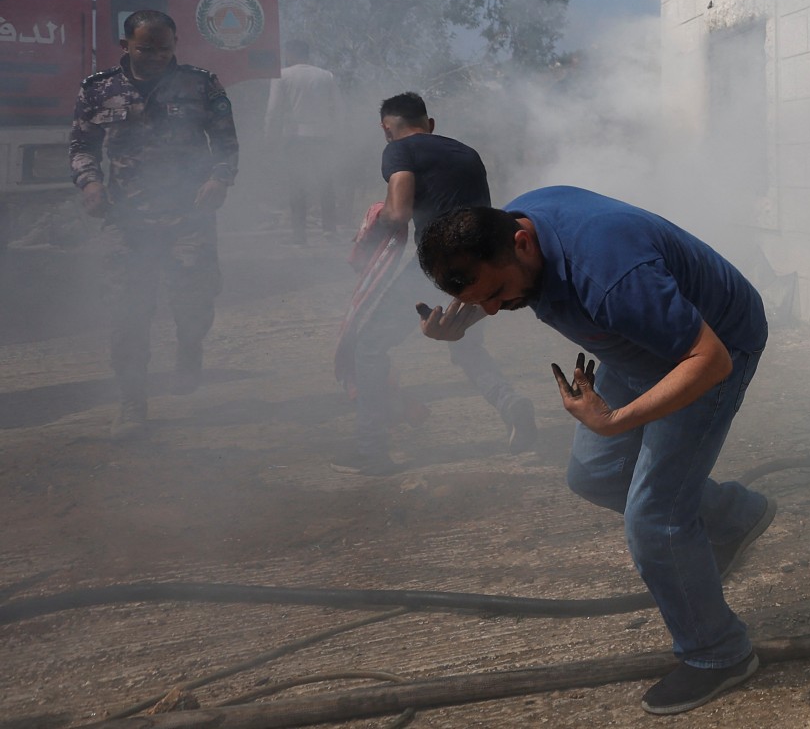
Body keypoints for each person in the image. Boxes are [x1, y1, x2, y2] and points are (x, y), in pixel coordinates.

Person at [416, 187, 774, 716]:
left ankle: (719, 654)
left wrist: (614, 420)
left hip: (708, 352)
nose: (494, 310)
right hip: (637, 349)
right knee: (595, 474)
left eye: (496, 294)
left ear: (521, 245)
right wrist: (459, 322)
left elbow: (710, 360)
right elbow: (488, 287)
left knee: (654, 520)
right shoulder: (509, 226)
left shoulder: (611, 279)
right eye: (480, 303)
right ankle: (736, 515)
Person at [333, 93, 535, 475]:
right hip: (485, 266)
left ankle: (371, 449)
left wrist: (366, 245)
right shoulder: (466, 152)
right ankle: (511, 404)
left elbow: (398, 211)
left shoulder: (399, 151)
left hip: (438, 265)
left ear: (386, 129)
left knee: (370, 346)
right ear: (431, 123)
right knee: (465, 346)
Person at [68, 9, 236, 440]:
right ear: (125, 46)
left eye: (165, 47)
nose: (157, 55)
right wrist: (90, 183)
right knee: (127, 311)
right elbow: (81, 145)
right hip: (125, 219)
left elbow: (225, 143)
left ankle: (189, 344)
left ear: (175, 44)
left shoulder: (201, 83)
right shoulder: (97, 89)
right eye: (146, 48)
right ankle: (132, 404)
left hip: (189, 215)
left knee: (195, 296)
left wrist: (219, 179)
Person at [263, 38, 345, 244]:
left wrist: (269, 137)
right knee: (326, 183)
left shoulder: (282, 75)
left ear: (290, 54)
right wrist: (337, 132)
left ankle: (300, 234)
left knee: (297, 184)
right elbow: (339, 108)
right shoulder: (326, 76)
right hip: (323, 137)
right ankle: (330, 230)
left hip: (296, 137)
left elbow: (273, 111)